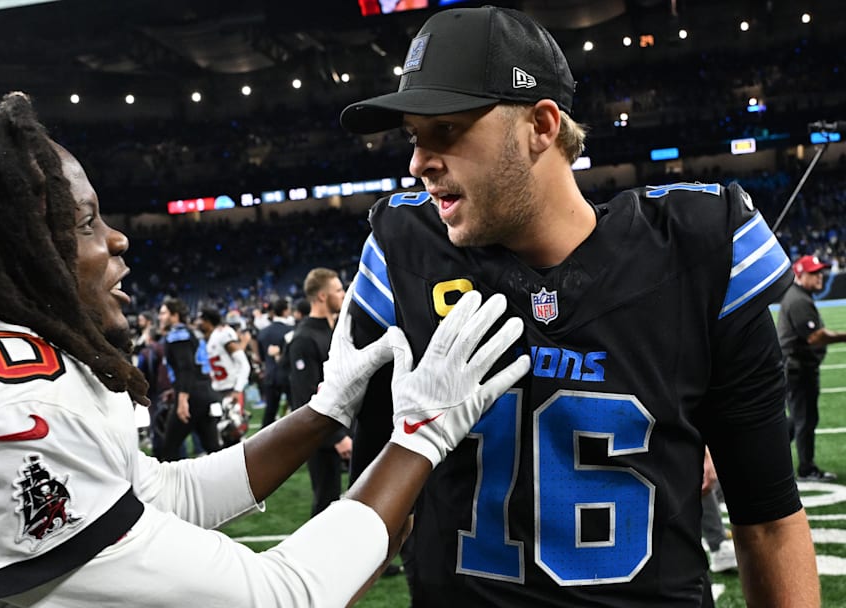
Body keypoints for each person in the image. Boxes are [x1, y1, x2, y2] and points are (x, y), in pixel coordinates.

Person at [0, 92, 531, 607]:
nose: (117, 240)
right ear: (12, 250)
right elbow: (279, 597)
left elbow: (165, 495)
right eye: (84, 222)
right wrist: (420, 434)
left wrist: (323, 412)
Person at [340, 5, 818, 606]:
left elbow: (768, 521)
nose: (418, 162)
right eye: (415, 136)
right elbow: (369, 523)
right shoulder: (404, 257)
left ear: (541, 126)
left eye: (447, 129)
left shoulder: (698, 249)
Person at [288, 268, 354, 516]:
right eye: (338, 290)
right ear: (323, 296)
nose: (343, 294)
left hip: (347, 427)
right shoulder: (304, 338)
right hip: (323, 436)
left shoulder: (337, 330)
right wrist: (336, 438)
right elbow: (305, 397)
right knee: (326, 502)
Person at [777, 253, 844, 481]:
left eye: (820, 272)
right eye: (814, 273)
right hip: (798, 370)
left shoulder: (800, 296)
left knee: (801, 419)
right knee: (803, 420)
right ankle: (806, 469)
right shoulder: (798, 300)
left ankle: (768, 456)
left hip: (798, 368)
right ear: (800, 274)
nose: (820, 276)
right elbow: (815, 337)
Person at [155, 297, 223, 461]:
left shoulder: (178, 335)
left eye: (163, 313)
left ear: (175, 315)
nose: (160, 317)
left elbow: (186, 368)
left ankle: (170, 482)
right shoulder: (191, 332)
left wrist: (183, 398)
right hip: (204, 392)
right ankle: (233, 473)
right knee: (212, 447)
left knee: (169, 449)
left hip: (192, 395)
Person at [197, 308, 251, 445]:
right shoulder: (208, 339)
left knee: (233, 433)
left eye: (201, 320)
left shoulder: (222, 334)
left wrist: (237, 390)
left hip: (231, 390)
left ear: (208, 321)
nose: (198, 323)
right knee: (219, 436)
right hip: (217, 393)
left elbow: (244, 364)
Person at [256, 298, 295, 428]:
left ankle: (262, 441)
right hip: (288, 376)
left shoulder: (263, 332)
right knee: (296, 410)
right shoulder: (291, 330)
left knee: (270, 413)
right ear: (285, 311)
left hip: (270, 376)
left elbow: (262, 357)